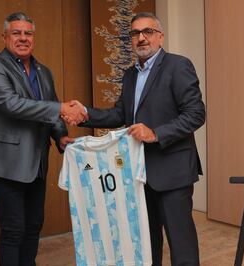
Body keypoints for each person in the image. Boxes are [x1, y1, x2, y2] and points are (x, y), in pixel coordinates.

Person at [66, 12, 205, 266]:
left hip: (172, 172)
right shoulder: (130, 74)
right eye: (135, 33)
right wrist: (85, 113)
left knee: (181, 244)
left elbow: (196, 114)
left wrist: (156, 133)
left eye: (148, 32)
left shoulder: (178, 65)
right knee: (146, 243)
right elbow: (120, 114)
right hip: (138, 174)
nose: (141, 38)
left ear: (160, 37)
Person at [0, 12, 86, 266]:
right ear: (4, 37)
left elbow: (50, 110)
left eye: (28, 33)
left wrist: (61, 136)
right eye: (16, 33)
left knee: (34, 226)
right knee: (13, 229)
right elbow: (11, 104)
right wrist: (60, 108)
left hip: (36, 163)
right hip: (4, 163)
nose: (23, 38)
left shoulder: (43, 71)